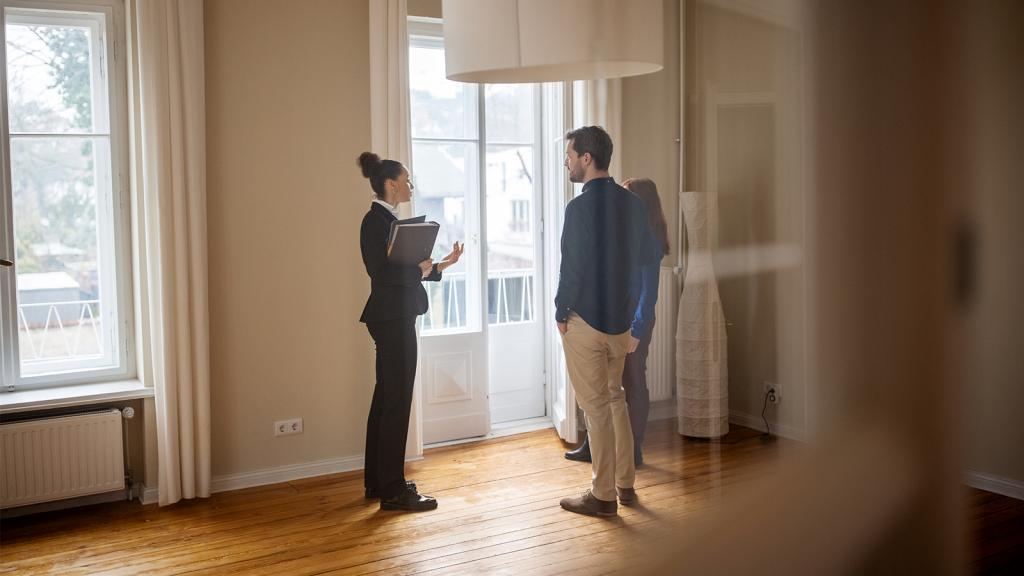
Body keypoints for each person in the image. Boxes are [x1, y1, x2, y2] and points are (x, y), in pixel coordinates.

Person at [555, 127, 656, 517]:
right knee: (615, 400)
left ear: (586, 158)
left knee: (596, 407)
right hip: (620, 322)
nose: (566, 161)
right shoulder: (633, 204)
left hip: (586, 321)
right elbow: (648, 258)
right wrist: (635, 316)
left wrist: (561, 310)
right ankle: (626, 484)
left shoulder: (578, 208)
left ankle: (602, 496)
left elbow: (572, 266)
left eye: (569, 154)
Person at [357, 151, 463, 512]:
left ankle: (378, 481)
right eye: (407, 181)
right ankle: (393, 489)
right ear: (391, 184)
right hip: (391, 318)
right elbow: (384, 275)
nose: (412, 187)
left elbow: (406, 270)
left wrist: (440, 265)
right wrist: (419, 270)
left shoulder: (387, 222)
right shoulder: (374, 223)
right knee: (396, 401)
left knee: (386, 398)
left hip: (393, 316)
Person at [564, 177, 668, 467]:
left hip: (635, 321)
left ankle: (633, 450)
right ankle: (592, 445)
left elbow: (649, 295)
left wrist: (637, 330)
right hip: (614, 314)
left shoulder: (650, 239)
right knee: (603, 384)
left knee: (633, 382)